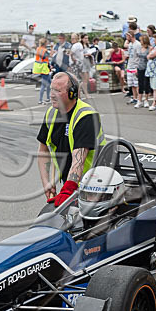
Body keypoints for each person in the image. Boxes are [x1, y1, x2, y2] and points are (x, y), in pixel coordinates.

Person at [36, 72, 105, 206]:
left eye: (57, 90)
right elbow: (43, 150)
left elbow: (79, 159)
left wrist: (68, 190)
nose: (51, 95)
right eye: (51, 89)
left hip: (93, 184)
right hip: (70, 182)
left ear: (72, 93)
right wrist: (47, 182)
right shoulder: (51, 113)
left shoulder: (86, 115)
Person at [125, 31, 142, 107]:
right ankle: (134, 97)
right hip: (130, 65)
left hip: (135, 65)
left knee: (136, 84)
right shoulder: (130, 44)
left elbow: (139, 55)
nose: (126, 38)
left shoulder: (137, 44)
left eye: (127, 36)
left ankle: (139, 98)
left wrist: (138, 67)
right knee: (131, 84)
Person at [33, 38, 51, 105]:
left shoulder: (38, 49)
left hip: (40, 67)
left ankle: (48, 98)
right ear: (45, 43)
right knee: (44, 84)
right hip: (44, 68)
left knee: (49, 83)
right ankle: (40, 100)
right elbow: (48, 57)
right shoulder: (44, 50)